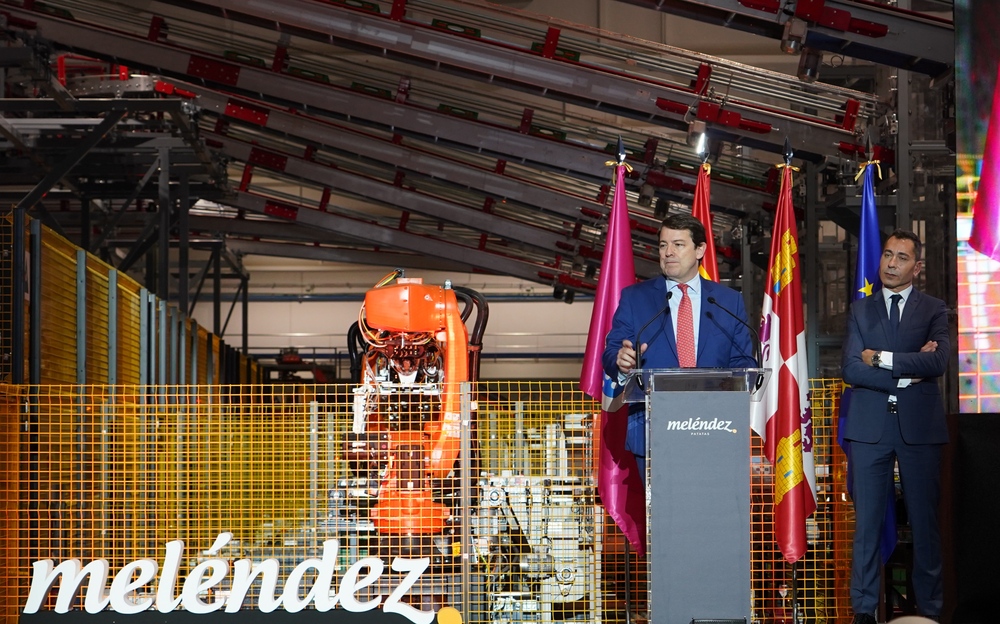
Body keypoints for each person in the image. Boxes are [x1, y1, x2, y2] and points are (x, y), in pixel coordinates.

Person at [841, 229, 949, 624]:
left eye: (901, 258)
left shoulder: (934, 309)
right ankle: (864, 611)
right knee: (866, 527)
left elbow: (937, 363)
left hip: (920, 430)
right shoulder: (859, 310)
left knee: (926, 526)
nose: (890, 263)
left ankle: (931, 610)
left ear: (916, 267)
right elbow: (850, 368)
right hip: (869, 430)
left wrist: (882, 359)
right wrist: (906, 372)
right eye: (887, 254)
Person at [602, 213, 757, 476]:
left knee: (710, 514)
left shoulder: (727, 302)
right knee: (662, 516)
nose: (668, 253)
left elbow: (743, 363)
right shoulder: (636, 298)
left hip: (715, 428)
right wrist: (621, 360)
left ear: (700, 250)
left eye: (678, 244)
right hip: (654, 431)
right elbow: (611, 353)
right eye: (663, 245)